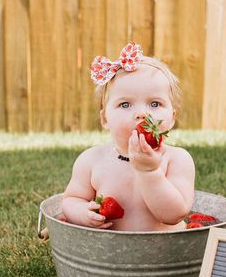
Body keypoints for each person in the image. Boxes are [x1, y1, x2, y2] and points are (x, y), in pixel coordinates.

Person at [61, 42, 195, 231]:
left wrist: (149, 172)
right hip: (110, 254)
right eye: (125, 105)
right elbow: (71, 199)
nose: (142, 114)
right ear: (105, 119)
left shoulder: (177, 160)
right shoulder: (91, 160)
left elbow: (173, 215)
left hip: (166, 254)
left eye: (155, 104)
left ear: (172, 118)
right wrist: (82, 213)